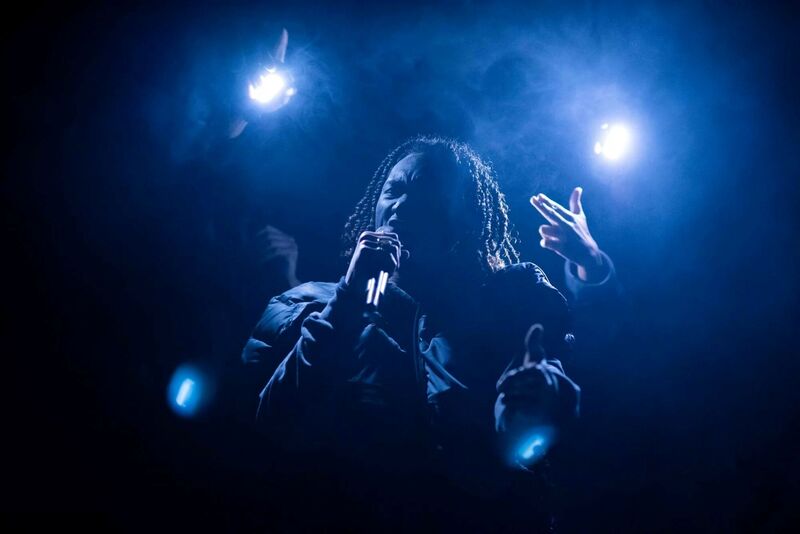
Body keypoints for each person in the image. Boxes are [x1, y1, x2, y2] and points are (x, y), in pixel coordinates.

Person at [242, 136, 581, 531]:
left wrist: (536, 407)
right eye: (394, 190)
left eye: (426, 195)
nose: (402, 205)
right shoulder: (308, 305)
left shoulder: (507, 309)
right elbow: (270, 428)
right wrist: (348, 302)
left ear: (463, 219)